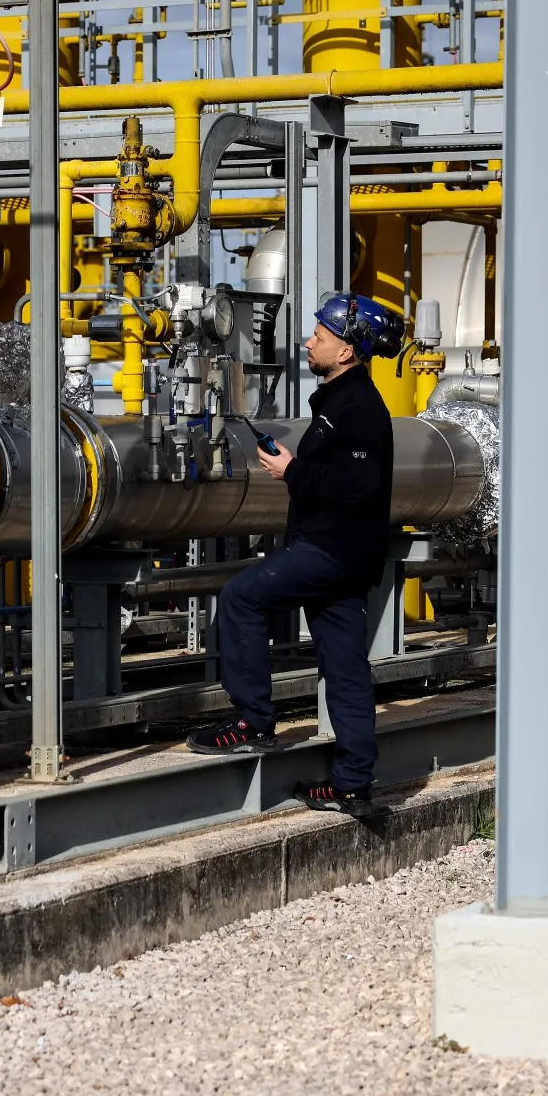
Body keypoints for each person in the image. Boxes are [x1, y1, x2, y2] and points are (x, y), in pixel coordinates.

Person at [183, 291, 401, 818]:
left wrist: (291, 472)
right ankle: (351, 784)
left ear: (347, 351)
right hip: (342, 552)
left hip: (332, 550)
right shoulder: (340, 402)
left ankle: (252, 723)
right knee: (345, 666)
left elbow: (358, 485)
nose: (309, 343)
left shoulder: (359, 408)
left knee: (241, 598)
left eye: (320, 337)